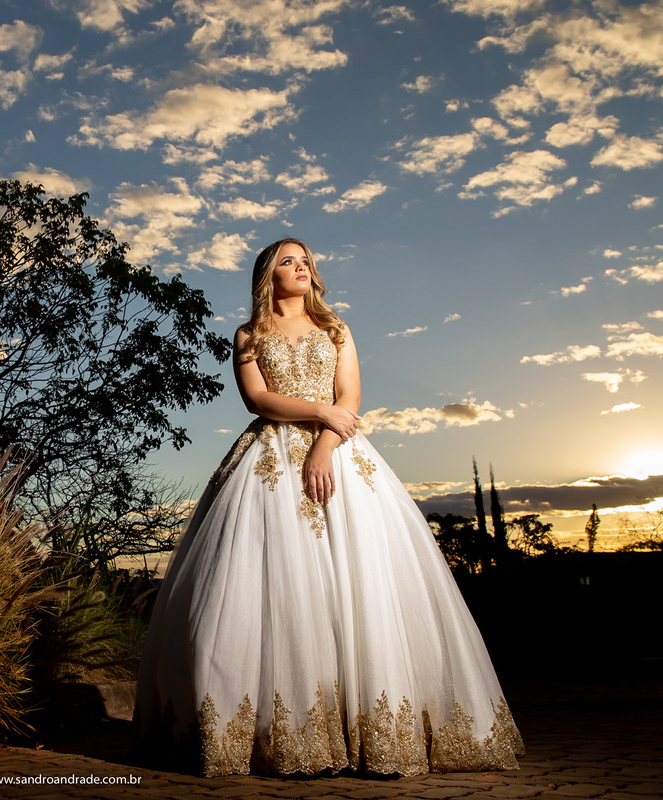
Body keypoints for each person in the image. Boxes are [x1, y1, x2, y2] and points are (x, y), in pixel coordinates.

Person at [130, 238, 525, 778]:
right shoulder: (248, 334)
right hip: (269, 458)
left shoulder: (335, 328)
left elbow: (350, 400)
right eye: (288, 262)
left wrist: (322, 447)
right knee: (275, 588)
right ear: (268, 276)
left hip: (339, 457)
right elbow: (258, 399)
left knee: (360, 588)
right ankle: (279, 733)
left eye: (306, 262)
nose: (301, 268)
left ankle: (370, 732)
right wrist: (319, 411)